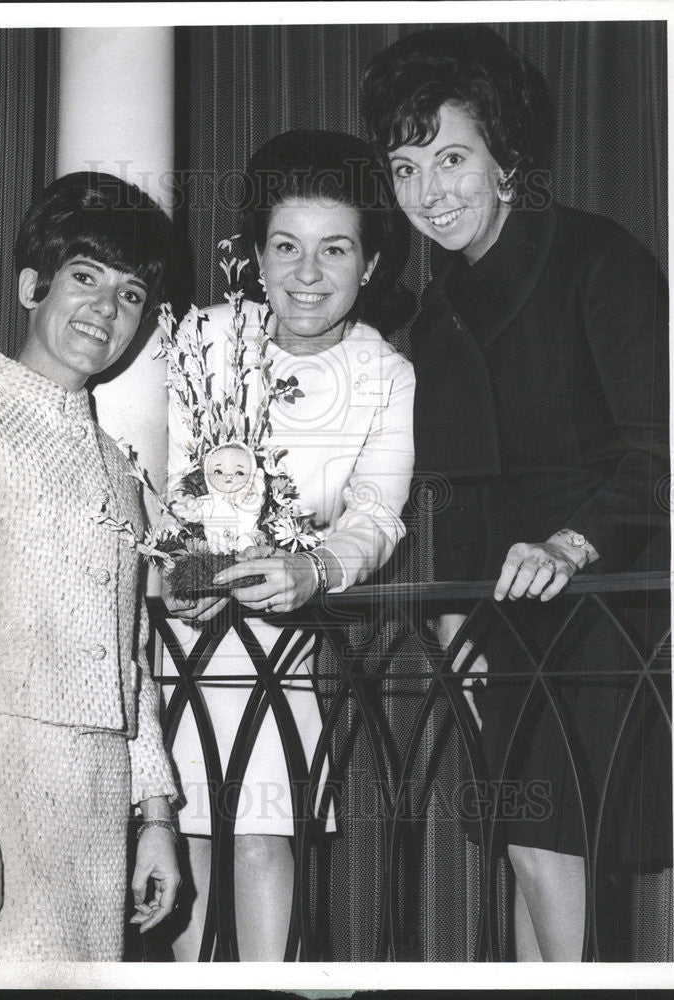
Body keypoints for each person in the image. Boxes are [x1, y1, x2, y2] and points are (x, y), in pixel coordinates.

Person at [362, 26, 670, 961]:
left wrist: (569, 545)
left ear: (506, 158)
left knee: (553, 852)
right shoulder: (434, 312)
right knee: (523, 857)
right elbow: (453, 488)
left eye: (451, 157)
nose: (428, 192)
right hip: (500, 629)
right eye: (406, 167)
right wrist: (457, 621)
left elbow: (660, 452)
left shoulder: (597, 257)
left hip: (603, 613)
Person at [160, 130, 415, 960]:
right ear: (257, 258)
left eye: (335, 249)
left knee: (265, 838)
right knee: (181, 847)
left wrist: (317, 568)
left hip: (283, 637)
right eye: (287, 247)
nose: (308, 274)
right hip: (182, 634)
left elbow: (377, 513)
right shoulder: (204, 339)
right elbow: (159, 484)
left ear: (370, 265)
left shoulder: (387, 374)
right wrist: (182, 572)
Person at [0, 172, 186, 961]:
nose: (106, 310)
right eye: (86, 277)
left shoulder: (117, 466)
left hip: (95, 810)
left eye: (132, 294)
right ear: (31, 286)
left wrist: (156, 817)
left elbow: (131, 663)